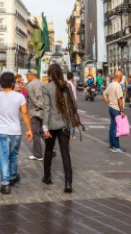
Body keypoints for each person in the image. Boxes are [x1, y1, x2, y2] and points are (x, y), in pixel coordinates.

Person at [41, 64, 84, 193]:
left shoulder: (47, 87)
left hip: (52, 125)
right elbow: (74, 106)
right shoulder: (66, 86)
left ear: (50, 74)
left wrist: (45, 127)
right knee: (65, 152)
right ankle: (68, 183)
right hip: (65, 124)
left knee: (49, 150)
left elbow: (46, 109)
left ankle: (47, 177)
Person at [0, 71, 33, 195]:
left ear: (1, 83)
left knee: (3, 156)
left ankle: (5, 183)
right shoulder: (19, 96)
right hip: (15, 131)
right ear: (13, 83)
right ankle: (13, 177)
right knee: (13, 156)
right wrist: (29, 129)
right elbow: (24, 113)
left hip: (1, 131)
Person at [103, 71, 126, 153]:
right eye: (122, 77)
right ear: (119, 77)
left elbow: (104, 94)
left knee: (112, 127)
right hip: (116, 109)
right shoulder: (118, 86)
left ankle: (112, 144)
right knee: (116, 128)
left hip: (111, 108)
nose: (122, 78)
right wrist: (122, 110)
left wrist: (108, 102)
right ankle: (116, 146)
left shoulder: (111, 84)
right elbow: (120, 100)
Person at [25, 69, 45, 161]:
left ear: (31, 75)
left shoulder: (29, 85)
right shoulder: (42, 83)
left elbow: (33, 100)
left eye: (27, 76)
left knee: (35, 132)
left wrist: (40, 106)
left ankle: (38, 154)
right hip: (43, 111)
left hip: (34, 111)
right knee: (41, 131)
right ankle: (50, 149)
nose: (26, 77)